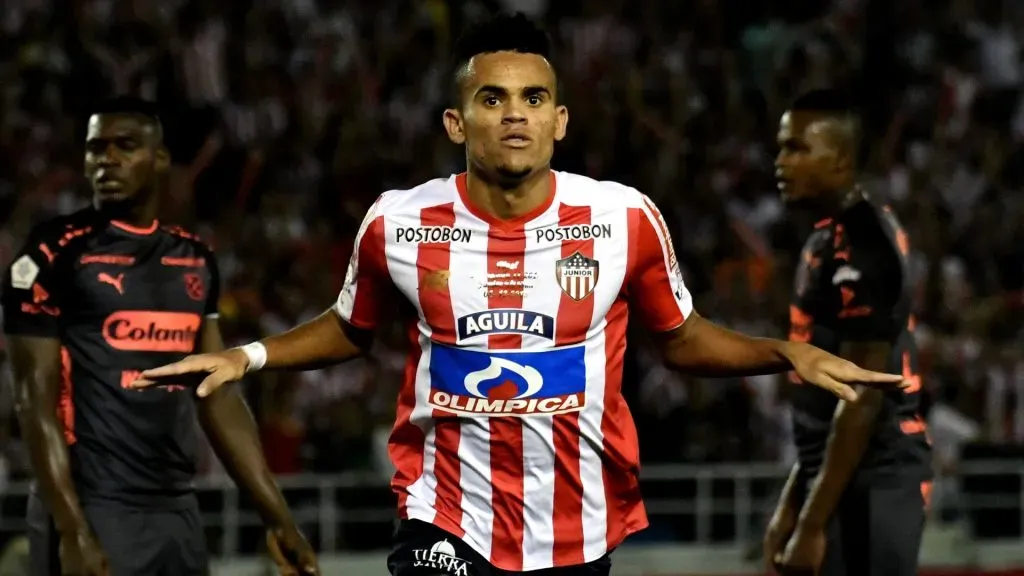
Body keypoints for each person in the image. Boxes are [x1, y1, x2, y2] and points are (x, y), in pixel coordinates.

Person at [134, 15, 905, 576]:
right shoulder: (398, 221)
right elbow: (350, 328)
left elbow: (681, 337)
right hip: (444, 507)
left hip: (577, 521)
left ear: (560, 120)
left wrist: (784, 353)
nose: (515, 115)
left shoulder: (622, 217)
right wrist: (250, 355)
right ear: (455, 120)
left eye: (534, 99)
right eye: (495, 99)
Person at [2, 97, 319, 576]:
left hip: (177, 509)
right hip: (93, 506)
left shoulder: (194, 259)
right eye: (95, 149)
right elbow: (33, 401)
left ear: (161, 158)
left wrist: (278, 518)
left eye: (124, 146)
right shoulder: (50, 254)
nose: (105, 159)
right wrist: (72, 529)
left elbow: (219, 394)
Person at [764, 89, 932, 576]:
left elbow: (862, 397)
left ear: (838, 159)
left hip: (873, 479)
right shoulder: (828, 238)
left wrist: (812, 524)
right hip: (837, 473)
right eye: (781, 147)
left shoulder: (863, 247)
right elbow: (824, 400)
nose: (781, 161)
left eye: (796, 149)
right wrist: (792, 505)